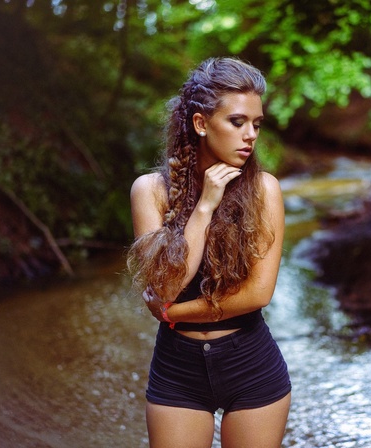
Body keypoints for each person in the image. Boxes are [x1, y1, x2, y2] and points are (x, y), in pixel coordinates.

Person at [126, 57, 291, 448]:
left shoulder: (265, 189)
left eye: (256, 124)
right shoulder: (150, 191)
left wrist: (174, 313)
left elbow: (257, 295)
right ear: (201, 124)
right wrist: (204, 207)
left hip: (250, 362)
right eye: (237, 122)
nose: (250, 135)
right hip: (176, 369)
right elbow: (164, 286)